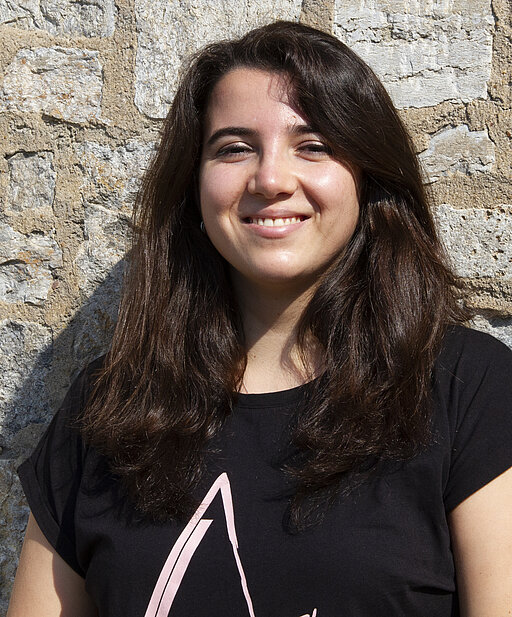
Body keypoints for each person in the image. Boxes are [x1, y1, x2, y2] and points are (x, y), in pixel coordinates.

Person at [7, 20, 512, 617]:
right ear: (194, 186)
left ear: (368, 178)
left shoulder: (467, 388)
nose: (271, 179)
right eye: (234, 148)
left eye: (314, 146)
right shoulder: (107, 408)